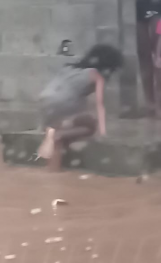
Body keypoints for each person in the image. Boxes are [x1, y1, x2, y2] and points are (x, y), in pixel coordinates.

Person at [37, 44, 124, 172]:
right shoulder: (96, 75)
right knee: (90, 126)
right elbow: (99, 104)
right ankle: (57, 134)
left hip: (44, 102)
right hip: (64, 103)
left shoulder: (68, 68)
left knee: (60, 138)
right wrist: (103, 132)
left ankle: (52, 169)